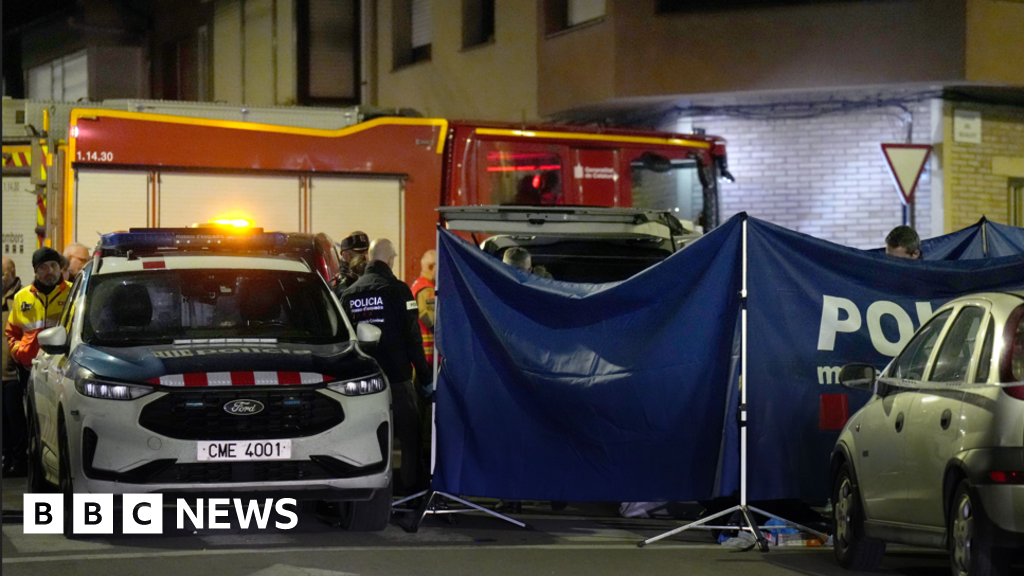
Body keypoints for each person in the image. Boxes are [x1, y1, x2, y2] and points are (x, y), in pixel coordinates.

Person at [341, 239, 433, 495]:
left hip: (364, 383)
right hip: (398, 379)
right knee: (410, 438)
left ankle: (373, 494)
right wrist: (425, 378)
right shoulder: (400, 291)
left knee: (368, 439)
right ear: (391, 259)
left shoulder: (349, 294)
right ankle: (411, 493)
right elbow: (413, 339)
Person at [4, 248, 71, 476]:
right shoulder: (22, 297)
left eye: (54, 265)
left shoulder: (72, 293)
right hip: (30, 369)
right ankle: (31, 463)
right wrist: (19, 353)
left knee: (54, 422)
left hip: (60, 369)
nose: (49, 271)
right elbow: (12, 331)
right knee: (29, 421)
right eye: (43, 267)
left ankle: (53, 467)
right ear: (35, 271)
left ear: (60, 268)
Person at [2, 257, 26, 476]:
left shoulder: (21, 298)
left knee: (15, 420)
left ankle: (19, 461)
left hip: (13, 373)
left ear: (11, 273)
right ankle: (5, 459)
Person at [410, 250, 437, 366]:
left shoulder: (417, 286)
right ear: (432, 267)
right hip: (428, 354)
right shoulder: (427, 290)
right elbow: (430, 320)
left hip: (420, 353)